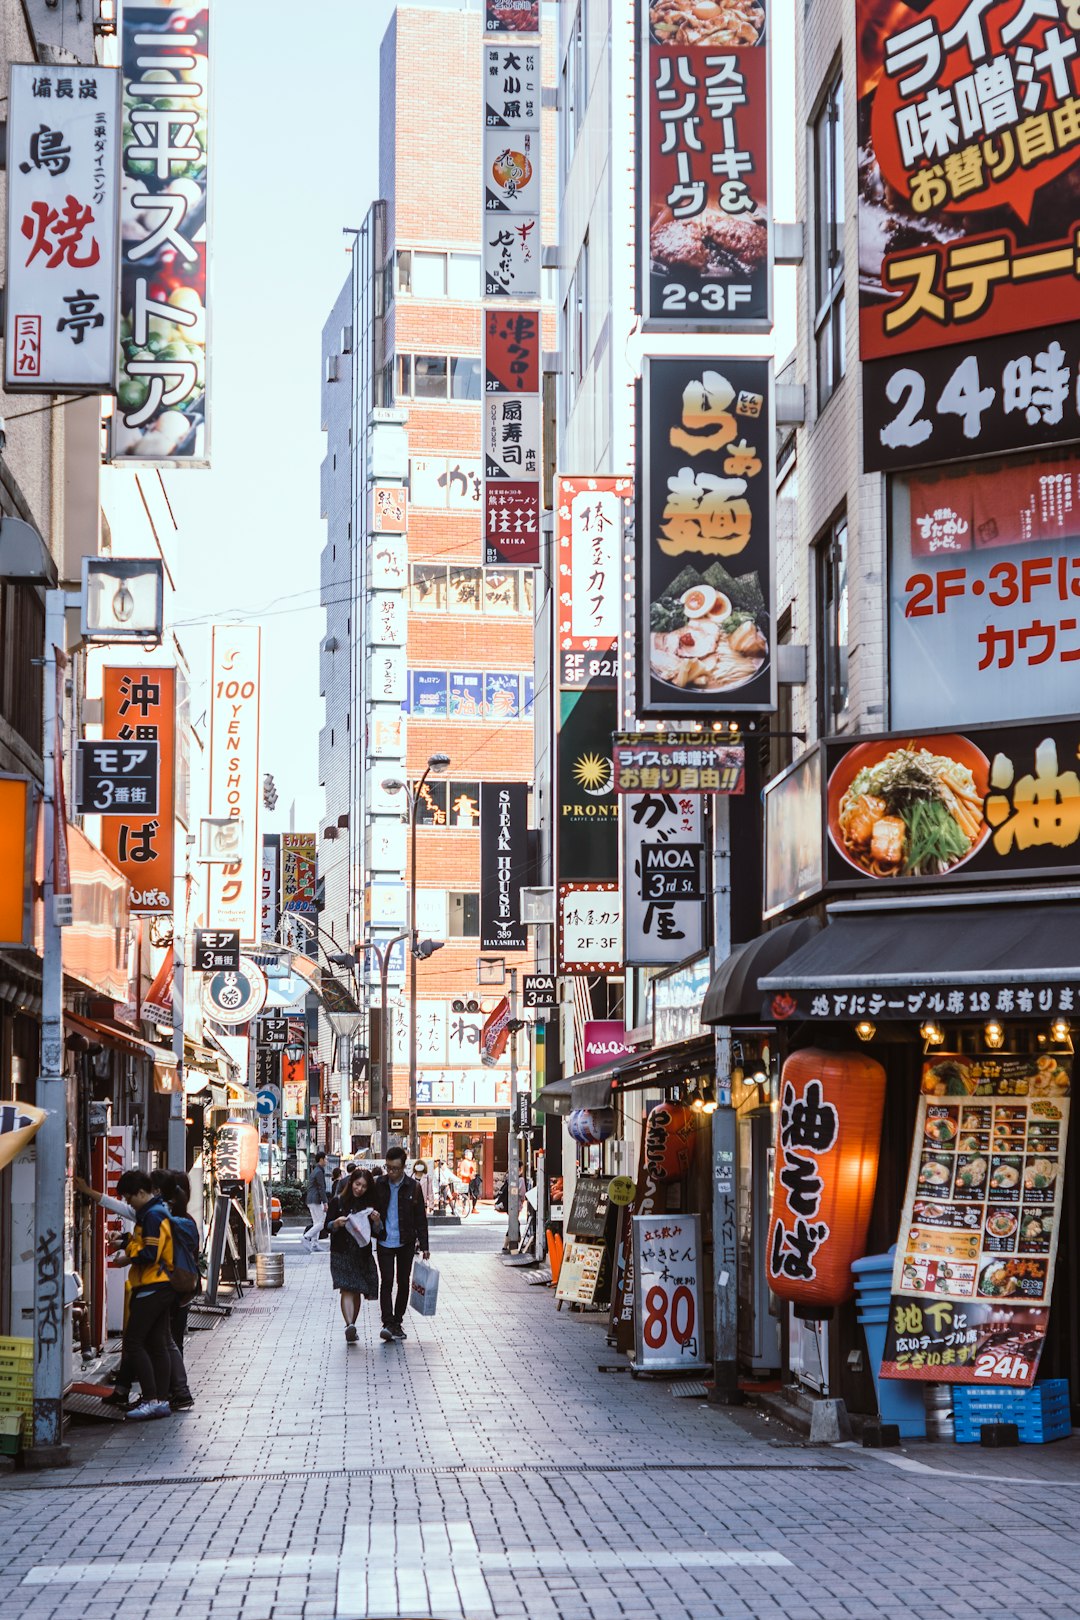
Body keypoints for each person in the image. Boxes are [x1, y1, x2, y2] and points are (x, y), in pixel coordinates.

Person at [111, 1169, 176, 1420]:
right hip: (162, 1285)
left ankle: (151, 1399)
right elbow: (149, 1245)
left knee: (134, 1343)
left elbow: (150, 1254)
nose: (129, 1203)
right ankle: (160, 1400)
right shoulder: (156, 1211)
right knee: (157, 1345)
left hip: (151, 1285)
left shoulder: (152, 1215)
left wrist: (126, 1256)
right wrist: (126, 1240)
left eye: (129, 1197)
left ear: (141, 1192)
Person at [370, 1146, 429, 1342]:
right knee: (386, 1281)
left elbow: (421, 1218)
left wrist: (425, 1245)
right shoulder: (379, 1184)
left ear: (404, 1166)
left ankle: (397, 1321)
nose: (391, 1172)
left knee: (403, 1282)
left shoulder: (413, 1186)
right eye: (388, 1168)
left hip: (406, 1241)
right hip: (385, 1239)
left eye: (395, 1168)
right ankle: (387, 1323)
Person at [321, 1167, 382, 1341]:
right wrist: (336, 1223)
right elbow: (327, 1226)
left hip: (361, 1252)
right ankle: (349, 1325)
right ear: (350, 1183)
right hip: (341, 1251)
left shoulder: (370, 1206)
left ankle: (352, 1326)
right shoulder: (338, 1201)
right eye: (357, 1184)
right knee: (346, 1288)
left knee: (356, 1290)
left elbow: (377, 1232)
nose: (359, 1189)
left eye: (364, 1186)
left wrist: (377, 1221)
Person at [162, 1169, 199, 1411]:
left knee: (170, 1339)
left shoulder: (177, 1222)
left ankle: (176, 1390)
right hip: (184, 1290)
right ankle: (174, 1389)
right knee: (173, 1339)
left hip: (174, 1288)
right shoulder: (188, 1220)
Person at [303, 1151, 329, 1252]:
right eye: (326, 1159)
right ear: (321, 1159)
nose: (326, 1161)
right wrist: (325, 1202)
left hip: (310, 1199)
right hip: (316, 1199)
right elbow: (321, 1188)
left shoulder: (315, 1170)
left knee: (316, 1222)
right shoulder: (319, 1172)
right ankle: (306, 1237)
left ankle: (314, 1244)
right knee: (321, 1223)